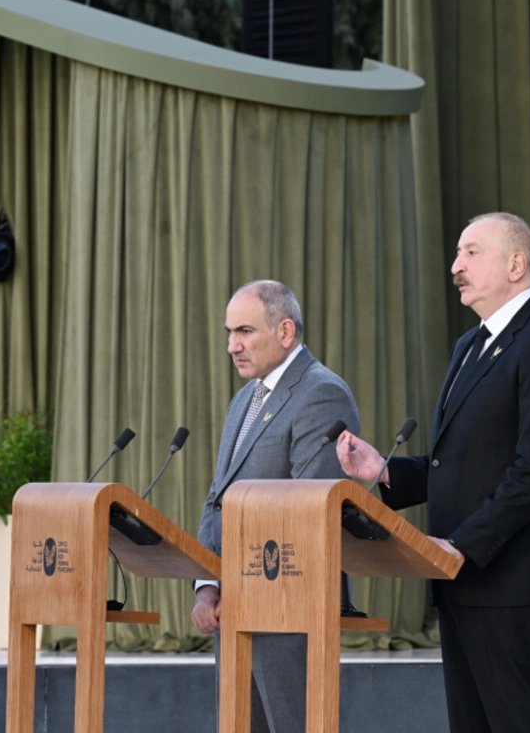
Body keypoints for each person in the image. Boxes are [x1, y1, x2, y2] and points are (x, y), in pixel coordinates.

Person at [336, 212, 530, 733]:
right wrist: (385, 471)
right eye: (456, 254)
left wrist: (465, 545)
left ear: (516, 264)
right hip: (456, 575)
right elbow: (459, 462)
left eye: (472, 253)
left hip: (506, 580)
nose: (456, 266)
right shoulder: (469, 344)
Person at [193, 280, 360, 733]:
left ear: (285, 332)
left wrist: (245, 587)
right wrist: (208, 583)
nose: (233, 345)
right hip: (238, 611)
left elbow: (311, 510)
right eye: (230, 333)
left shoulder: (322, 394)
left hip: (290, 612)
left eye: (245, 331)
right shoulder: (245, 400)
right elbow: (219, 497)